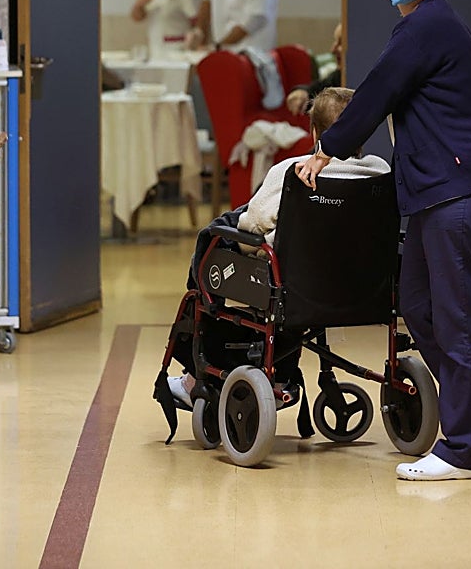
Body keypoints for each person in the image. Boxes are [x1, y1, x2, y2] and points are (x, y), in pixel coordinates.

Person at [294, 0, 471, 482]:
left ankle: (466, 450)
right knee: (421, 309)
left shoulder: (426, 26)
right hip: (437, 196)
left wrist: (326, 150)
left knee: (458, 322)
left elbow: (376, 92)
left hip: (462, 196)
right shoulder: (429, 27)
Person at [164, 86, 390, 406]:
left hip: (293, 282)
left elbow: (252, 224)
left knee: (215, 236)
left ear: (313, 131)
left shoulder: (293, 171)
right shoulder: (380, 172)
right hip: (361, 285)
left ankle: (199, 370)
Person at [285, 23, 343, 115]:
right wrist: (303, 93)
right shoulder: (340, 75)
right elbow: (319, 91)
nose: (333, 50)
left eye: (341, 43)